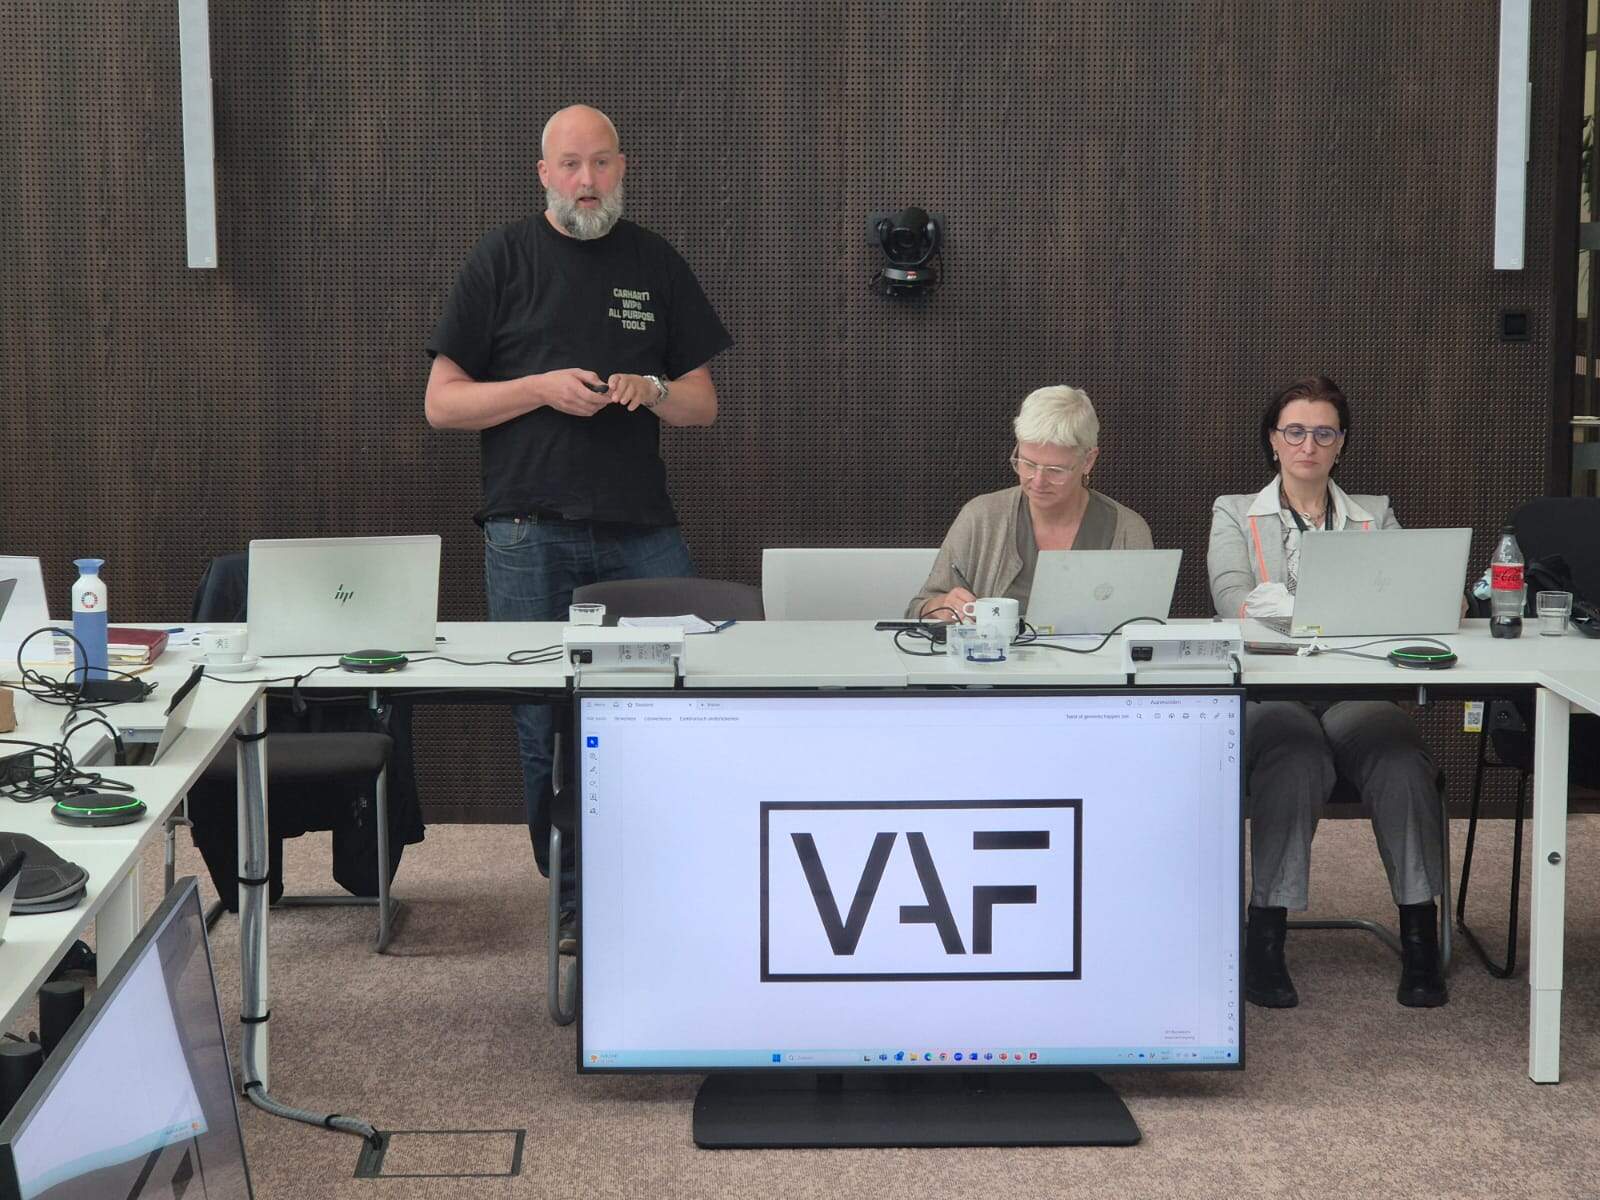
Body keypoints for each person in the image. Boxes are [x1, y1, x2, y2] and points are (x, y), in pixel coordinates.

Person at [424, 105, 733, 950]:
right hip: (528, 531)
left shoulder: (654, 260)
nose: (587, 181)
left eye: (600, 163)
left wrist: (655, 389)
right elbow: (442, 404)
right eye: (570, 164)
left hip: (641, 528)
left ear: (622, 167)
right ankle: (571, 899)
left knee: (672, 699)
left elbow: (703, 404)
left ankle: (666, 878)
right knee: (541, 719)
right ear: (544, 173)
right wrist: (539, 388)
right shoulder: (502, 260)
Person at [1208, 375, 1447, 1009]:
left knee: (1400, 760)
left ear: (1341, 444)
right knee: (1294, 758)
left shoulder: (1374, 514)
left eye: (1323, 433)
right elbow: (1234, 601)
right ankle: (1266, 935)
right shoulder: (1235, 511)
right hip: (1272, 692)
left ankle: (1420, 936)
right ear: (1273, 440)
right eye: (1295, 431)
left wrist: (1303, 608)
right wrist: (1339, 609)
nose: (1307, 445)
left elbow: (1406, 600)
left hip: (1355, 690)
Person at [908, 385, 1152, 620]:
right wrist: (941, 606)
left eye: (1055, 470)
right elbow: (917, 609)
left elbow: (1146, 626)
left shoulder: (1128, 531)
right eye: (1027, 463)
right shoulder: (980, 518)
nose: (1037, 481)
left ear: (1088, 461)